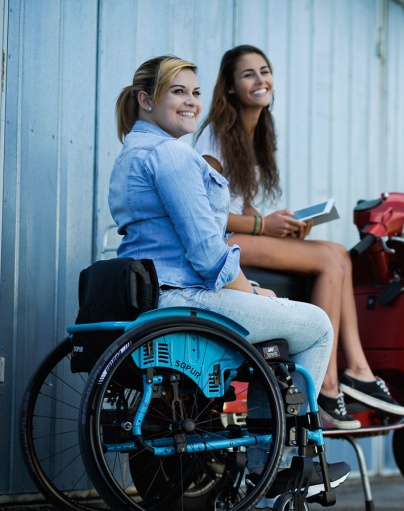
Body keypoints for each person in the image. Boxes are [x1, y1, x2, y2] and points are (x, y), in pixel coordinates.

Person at [109, 55, 349, 505]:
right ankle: (277, 464)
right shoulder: (170, 156)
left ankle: (256, 442)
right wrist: (248, 289)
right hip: (185, 299)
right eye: (177, 92)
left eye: (196, 92)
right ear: (146, 100)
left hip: (156, 297)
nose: (191, 102)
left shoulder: (131, 152)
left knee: (269, 318)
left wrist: (252, 292)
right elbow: (205, 250)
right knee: (316, 325)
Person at [194, 45, 404, 429]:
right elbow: (206, 215)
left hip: (241, 233)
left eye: (265, 71)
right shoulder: (217, 136)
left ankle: (354, 369)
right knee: (330, 258)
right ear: (228, 88)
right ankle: (326, 385)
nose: (260, 80)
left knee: (339, 254)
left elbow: (239, 204)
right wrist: (263, 226)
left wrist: (285, 224)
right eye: (248, 75)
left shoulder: (252, 133)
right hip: (219, 245)